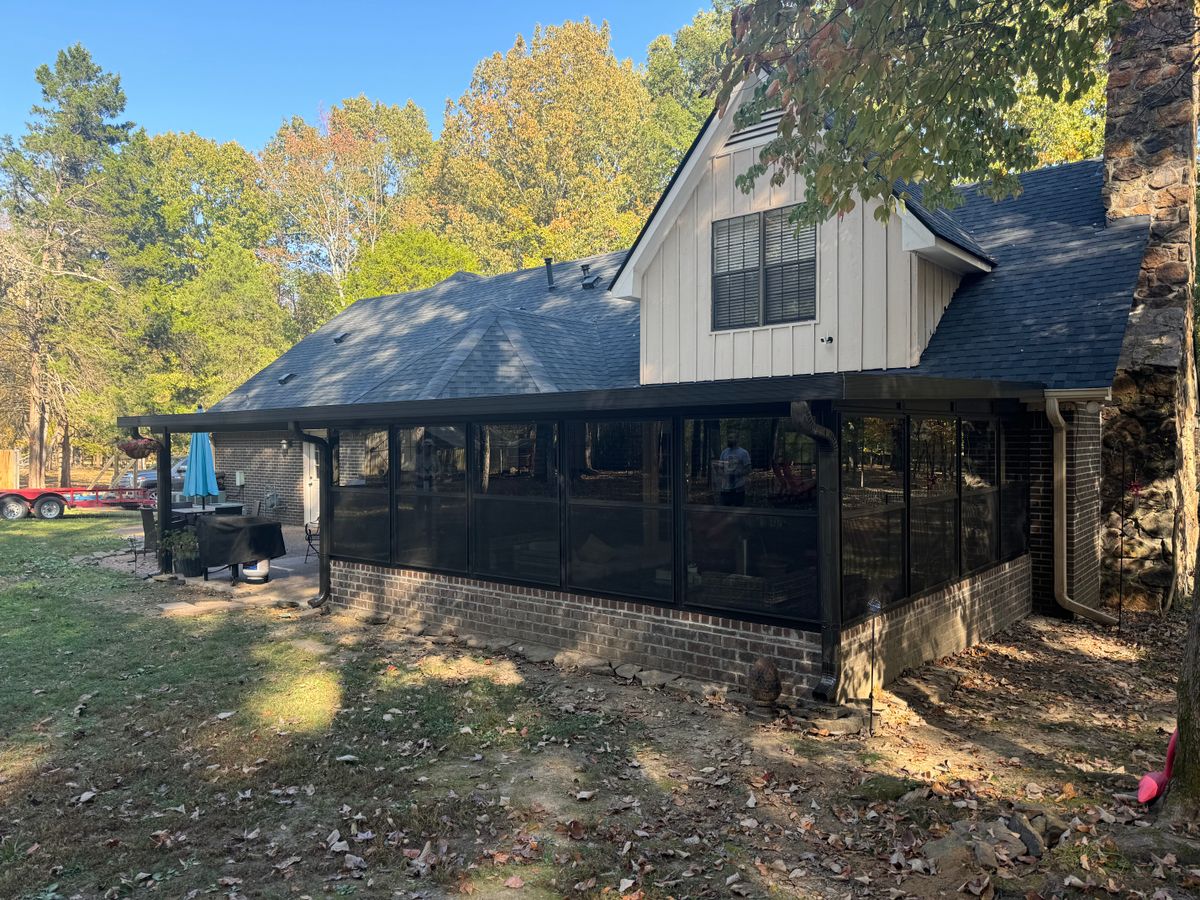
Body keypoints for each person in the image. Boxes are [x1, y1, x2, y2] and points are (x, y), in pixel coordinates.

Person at [717, 434, 751, 506]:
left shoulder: (743, 453)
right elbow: (720, 469)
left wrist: (739, 473)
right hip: (725, 488)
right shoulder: (724, 452)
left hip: (739, 487)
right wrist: (725, 475)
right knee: (725, 510)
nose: (729, 440)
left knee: (738, 510)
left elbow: (748, 469)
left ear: (737, 439)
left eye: (731, 438)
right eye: (728, 438)